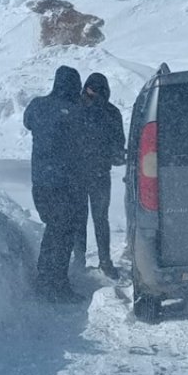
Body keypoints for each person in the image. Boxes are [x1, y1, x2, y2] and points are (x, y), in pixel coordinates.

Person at [23, 65, 87, 303]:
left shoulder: (37, 106)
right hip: (65, 184)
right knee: (63, 233)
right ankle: (57, 284)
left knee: (53, 229)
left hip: (40, 183)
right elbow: (84, 144)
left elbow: (28, 122)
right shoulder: (74, 112)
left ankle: (45, 278)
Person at [72, 72, 126, 279]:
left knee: (88, 218)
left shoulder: (77, 108)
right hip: (96, 173)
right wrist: (116, 156)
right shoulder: (111, 112)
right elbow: (118, 145)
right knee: (96, 219)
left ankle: (85, 261)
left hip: (85, 173)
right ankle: (100, 261)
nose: (92, 93)